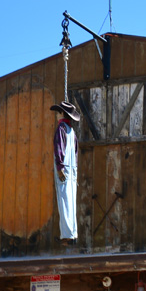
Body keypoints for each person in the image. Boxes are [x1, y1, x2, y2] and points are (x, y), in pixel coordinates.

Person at [51, 101, 81, 242]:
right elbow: (75, 153)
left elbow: (59, 149)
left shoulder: (61, 129)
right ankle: (73, 233)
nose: (56, 115)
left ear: (62, 114)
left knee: (64, 202)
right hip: (72, 170)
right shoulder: (72, 131)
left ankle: (67, 236)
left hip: (64, 170)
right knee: (71, 202)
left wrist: (59, 168)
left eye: (58, 112)